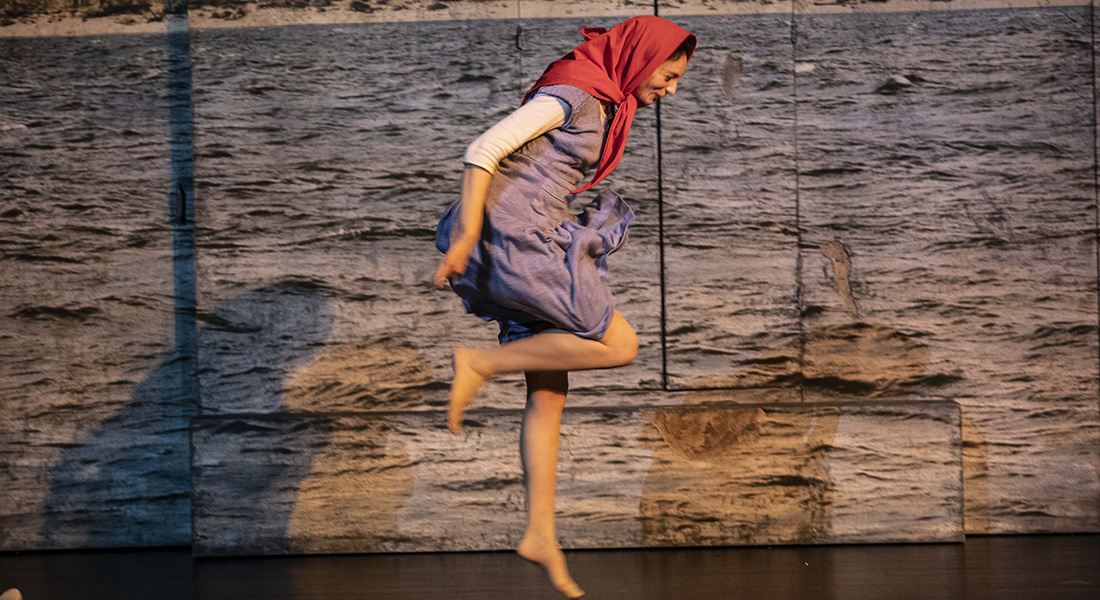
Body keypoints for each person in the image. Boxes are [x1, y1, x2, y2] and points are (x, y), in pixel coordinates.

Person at [432, 15, 696, 598]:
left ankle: (540, 533)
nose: (671, 90)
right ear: (641, 56)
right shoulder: (575, 96)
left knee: (549, 392)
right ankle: (478, 364)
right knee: (619, 344)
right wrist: (468, 231)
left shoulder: (603, 98)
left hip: (533, 227)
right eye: (670, 75)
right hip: (517, 230)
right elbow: (484, 148)